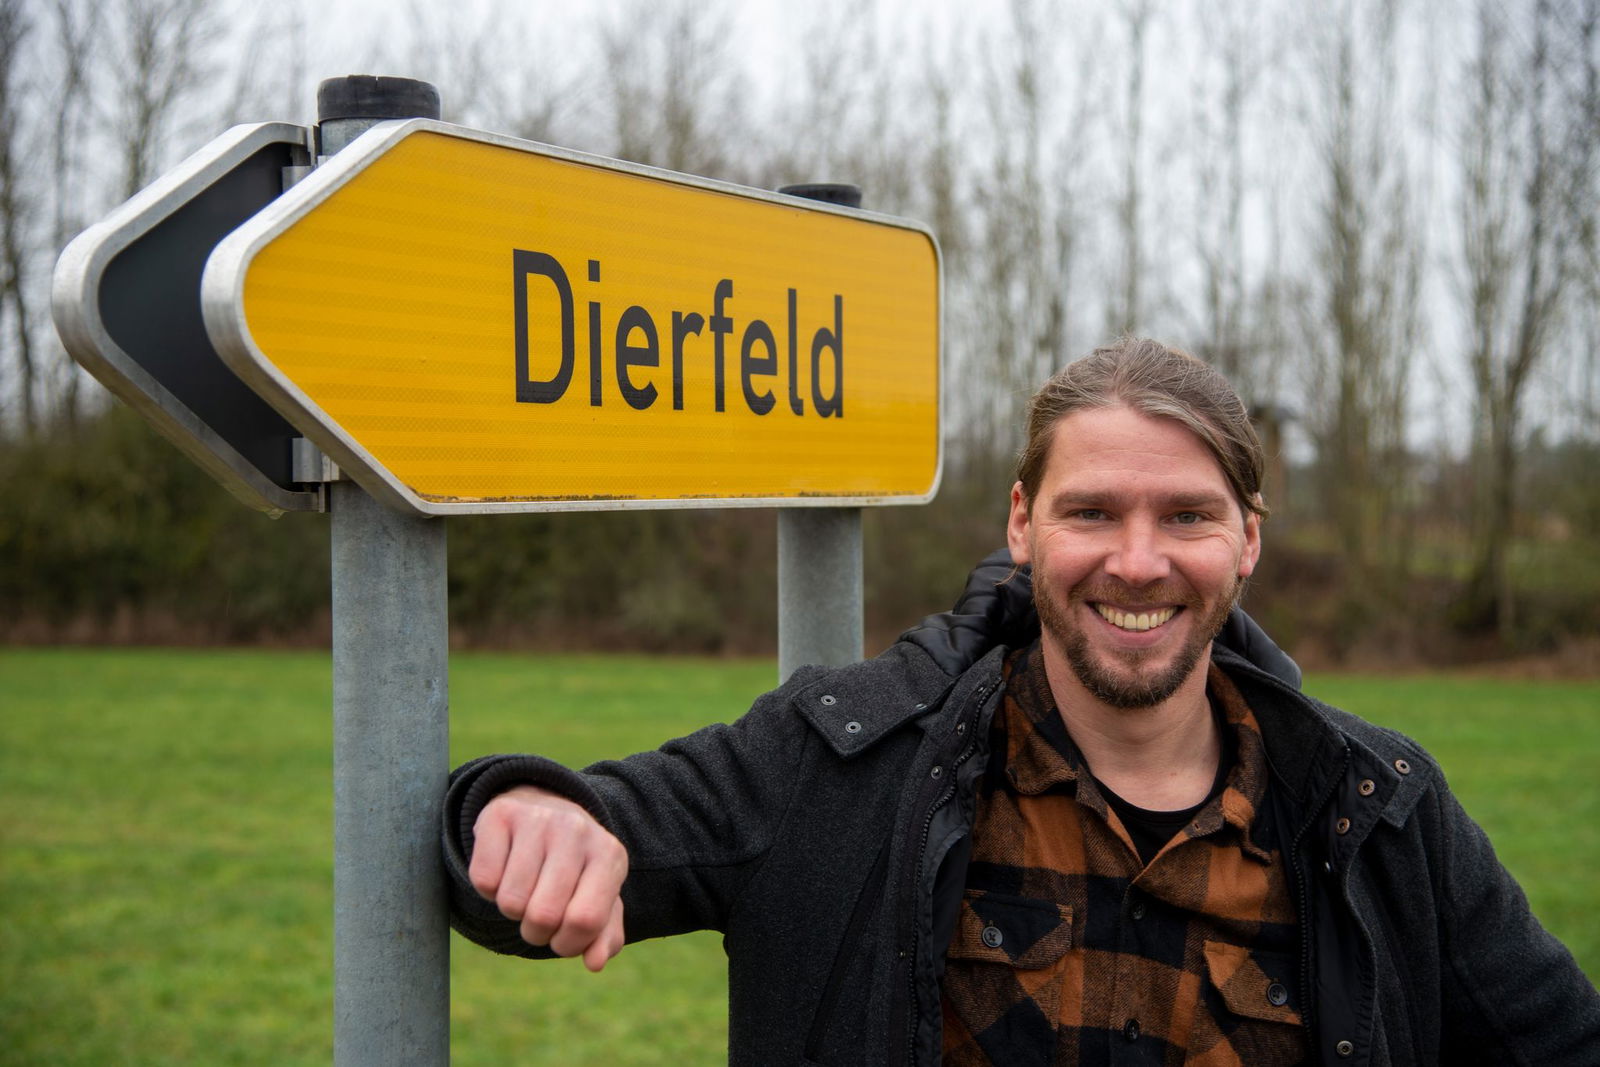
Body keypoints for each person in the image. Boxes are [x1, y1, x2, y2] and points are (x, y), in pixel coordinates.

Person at [441, 338, 1600, 1065]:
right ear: (1019, 525)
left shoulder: (1378, 808)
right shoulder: (843, 762)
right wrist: (523, 807)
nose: (1137, 561)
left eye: (1186, 516)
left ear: (1247, 539)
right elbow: (567, 840)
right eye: (1091, 510)